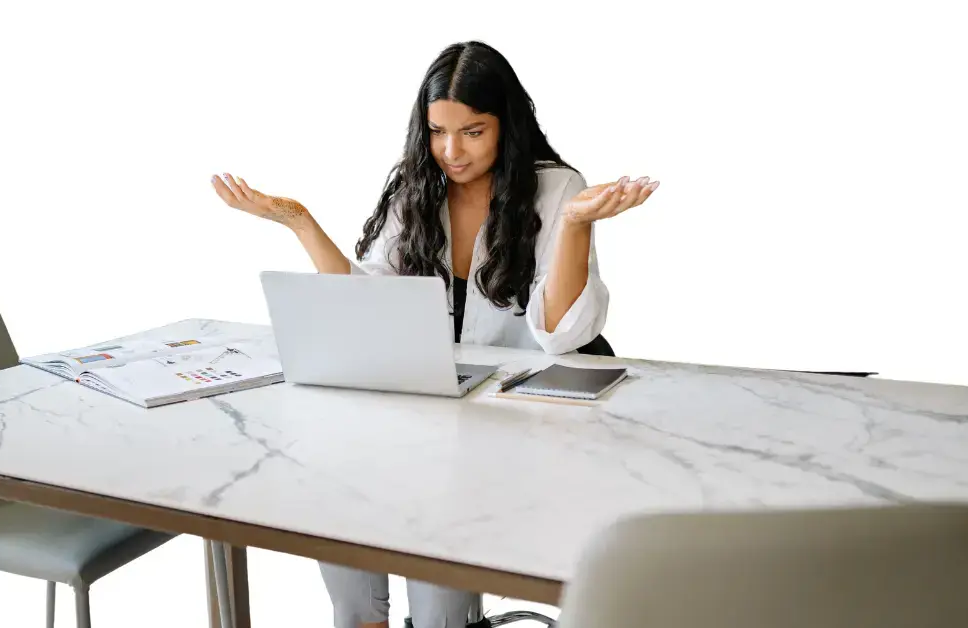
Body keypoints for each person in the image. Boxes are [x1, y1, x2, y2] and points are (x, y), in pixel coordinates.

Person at [210, 40, 658, 628]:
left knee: (435, 555)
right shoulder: (417, 187)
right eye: (437, 131)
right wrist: (300, 222)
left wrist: (574, 225)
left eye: (473, 131)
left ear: (507, 124)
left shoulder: (555, 189)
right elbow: (366, 302)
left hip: (516, 422)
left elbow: (561, 331)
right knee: (338, 496)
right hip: (437, 404)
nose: (451, 151)